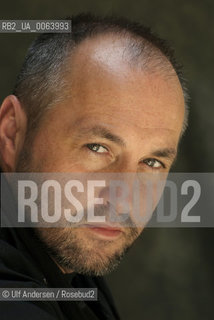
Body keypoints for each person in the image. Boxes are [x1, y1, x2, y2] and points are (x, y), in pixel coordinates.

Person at [0, 13, 187, 319]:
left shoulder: (63, 265)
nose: (123, 198)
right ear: (12, 133)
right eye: (97, 148)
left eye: (152, 162)